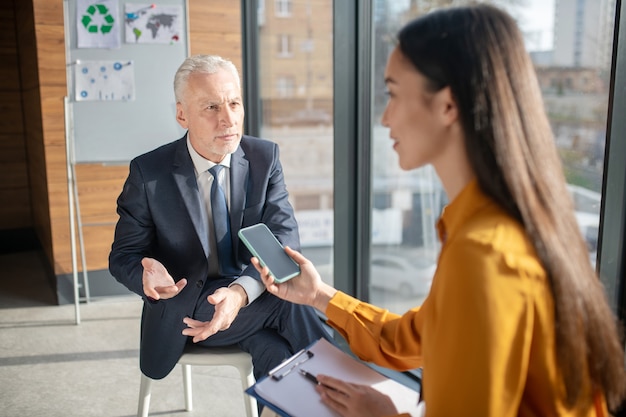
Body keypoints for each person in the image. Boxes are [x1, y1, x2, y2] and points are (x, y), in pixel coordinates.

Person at [252, 4, 626, 417]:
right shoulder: (500, 225)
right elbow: (411, 339)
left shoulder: (484, 254)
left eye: (393, 93)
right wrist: (317, 295)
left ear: (448, 105)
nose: (386, 116)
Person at [109, 54, 332, 385]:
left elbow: (283, 237)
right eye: (211, 107)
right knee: (291, 305)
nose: (228, 119)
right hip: (190, 305)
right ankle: (354, 387)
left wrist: (239, 294)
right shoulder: (149, 173)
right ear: (182, 114)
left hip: (249, 291)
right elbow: (123, 256)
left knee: (275, 352)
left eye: (234, 103)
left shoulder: (263, 157)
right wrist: (145, 274)